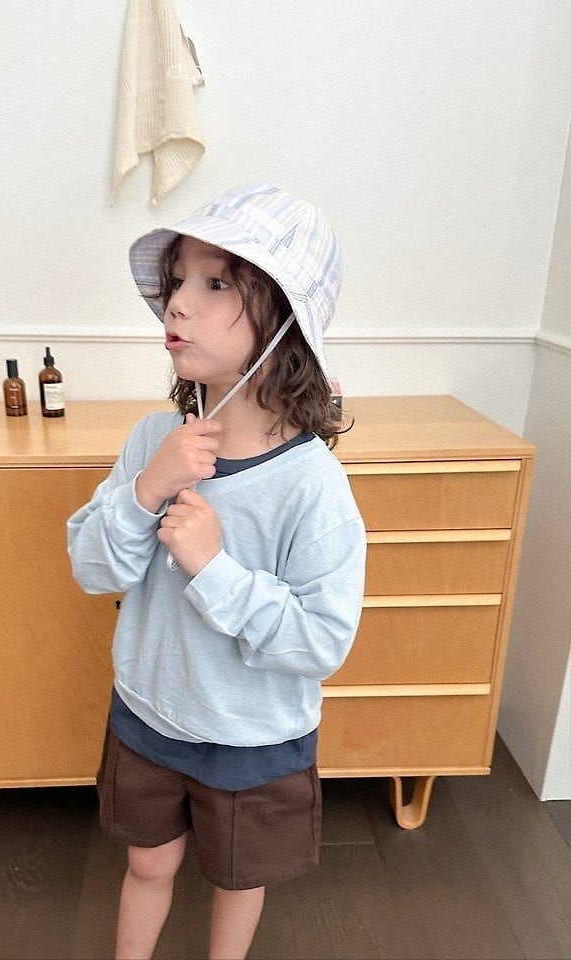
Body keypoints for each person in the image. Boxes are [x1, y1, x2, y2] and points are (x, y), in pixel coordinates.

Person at [67, 183, 366, 960]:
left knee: (238, 877)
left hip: (253, 740)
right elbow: (93, 567)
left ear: (285, 321)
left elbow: (322, 640)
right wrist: (147, 490)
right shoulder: (151, 441)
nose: (177, 304)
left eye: (216, 283)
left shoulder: (312, 486)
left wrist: (214, 570)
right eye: (176, 283)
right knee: (146, 863)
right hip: (148, 715)